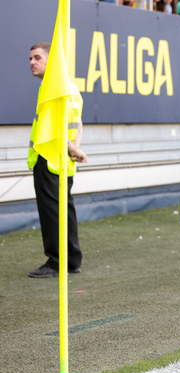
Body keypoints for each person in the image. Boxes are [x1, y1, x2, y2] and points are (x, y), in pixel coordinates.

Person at [27, 43, 88, 278]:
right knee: (66, 209)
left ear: (52, 61)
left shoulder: (52, 88)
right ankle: (72, 260)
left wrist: (72, 148)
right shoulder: (71, 86)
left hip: (49, 157)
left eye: (37, 58)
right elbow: (78, 124)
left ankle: (55, 261)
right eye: (30, 58)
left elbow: (54, 129)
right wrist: (75, 149)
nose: (32, 62)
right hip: (64, 160)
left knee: (52, 211)